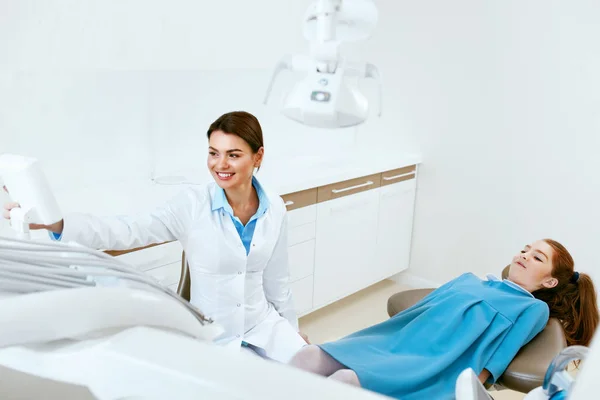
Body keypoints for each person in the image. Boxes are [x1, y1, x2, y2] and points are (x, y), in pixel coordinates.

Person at [2, 111, 309, 363]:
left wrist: (292, 333)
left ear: (258, 157)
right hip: (216, 337)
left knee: (319, 376)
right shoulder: (191, 206)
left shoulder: (275, 207)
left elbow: (278, 283)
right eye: (214, 153)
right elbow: (127, 229)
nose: (220, 165)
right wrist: (56, 224)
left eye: (233, 155)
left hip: (264, 327)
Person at [288, 239, 599, 399]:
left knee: (344, 381)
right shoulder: (472, 280)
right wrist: (351, 344)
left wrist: (467, 388)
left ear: (549, 282)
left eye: (537, 257)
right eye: (525, 249)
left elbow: (500, 354)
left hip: (430, 365)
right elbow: (410, 318)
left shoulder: (532, 308)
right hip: (394, 343)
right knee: (308, 356)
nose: (524, 256)